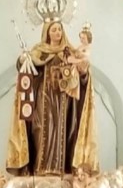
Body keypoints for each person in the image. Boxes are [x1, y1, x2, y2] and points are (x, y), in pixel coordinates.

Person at [7, 17, 97, 175]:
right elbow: (26, 69)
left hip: (64, 100)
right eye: (54, 29)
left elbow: (82, 78)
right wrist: (23, 60)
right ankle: (41, 168)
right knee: (41, 128)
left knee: (64, 130)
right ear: (47, 33)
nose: (58, 32)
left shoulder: (69, 51)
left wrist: (83, 71)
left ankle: (62, 168)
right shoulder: (39, 51)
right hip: (43, 97)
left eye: (59, 29)